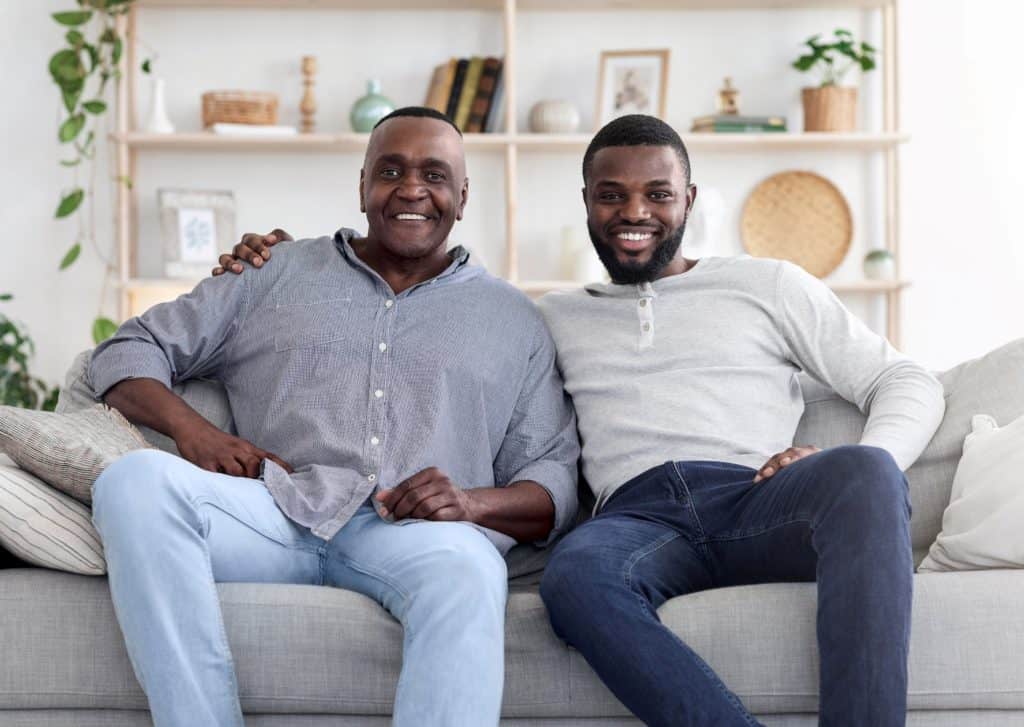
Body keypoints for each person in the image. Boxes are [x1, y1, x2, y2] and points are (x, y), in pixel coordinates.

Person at [218, 115, 945, 727]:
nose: (635, 212)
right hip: (636, 519)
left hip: (753, 495)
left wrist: (848, 453)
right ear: (587, 204)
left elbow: (903, 379)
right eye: (612, 195)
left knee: (865, 472)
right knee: (573, 578)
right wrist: (285, 262)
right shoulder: (546, 317)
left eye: (657, 194)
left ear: (687, 199)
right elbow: (429, 317)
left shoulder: (769, 285)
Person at [88, 107, 579, 727]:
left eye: (433, 174)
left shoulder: (515, 321)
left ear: (462, 196)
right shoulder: (271, 273)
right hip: (274, 511)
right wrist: (198, 433)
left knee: (468, 569)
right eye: (390, 170)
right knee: (132, 482)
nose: (410, 189)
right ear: (363, 187)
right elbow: (127, 351)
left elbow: (554, 483)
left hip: (414, 539)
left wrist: (472, 503)